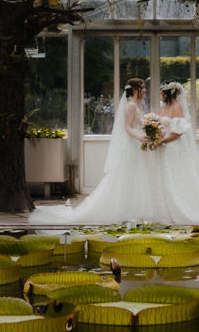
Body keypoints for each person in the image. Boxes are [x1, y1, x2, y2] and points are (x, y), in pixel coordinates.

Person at [49, 77, 161, 224]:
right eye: (143, 87)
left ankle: (136, 211)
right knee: (128, 177)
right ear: (135, 90)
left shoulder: (138, 104)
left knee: (137, 176)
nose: (145, 90)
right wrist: (139, 137)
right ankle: (125, 211)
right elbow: (127, 127)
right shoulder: (131, 105)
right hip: (132, 144)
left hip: (138, 145)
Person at [154, 80, 199, 225]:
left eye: (162, 92)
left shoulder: (177, 107)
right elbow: (158, 126)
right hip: (162, 147)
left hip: (173, 148)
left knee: (173, 176)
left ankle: (178, 208)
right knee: (162, 177)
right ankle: (164, 209)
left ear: (168, 92)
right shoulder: (162, 107)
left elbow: (178, 132)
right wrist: (154, 137)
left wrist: (161, 141)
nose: (161, 94)